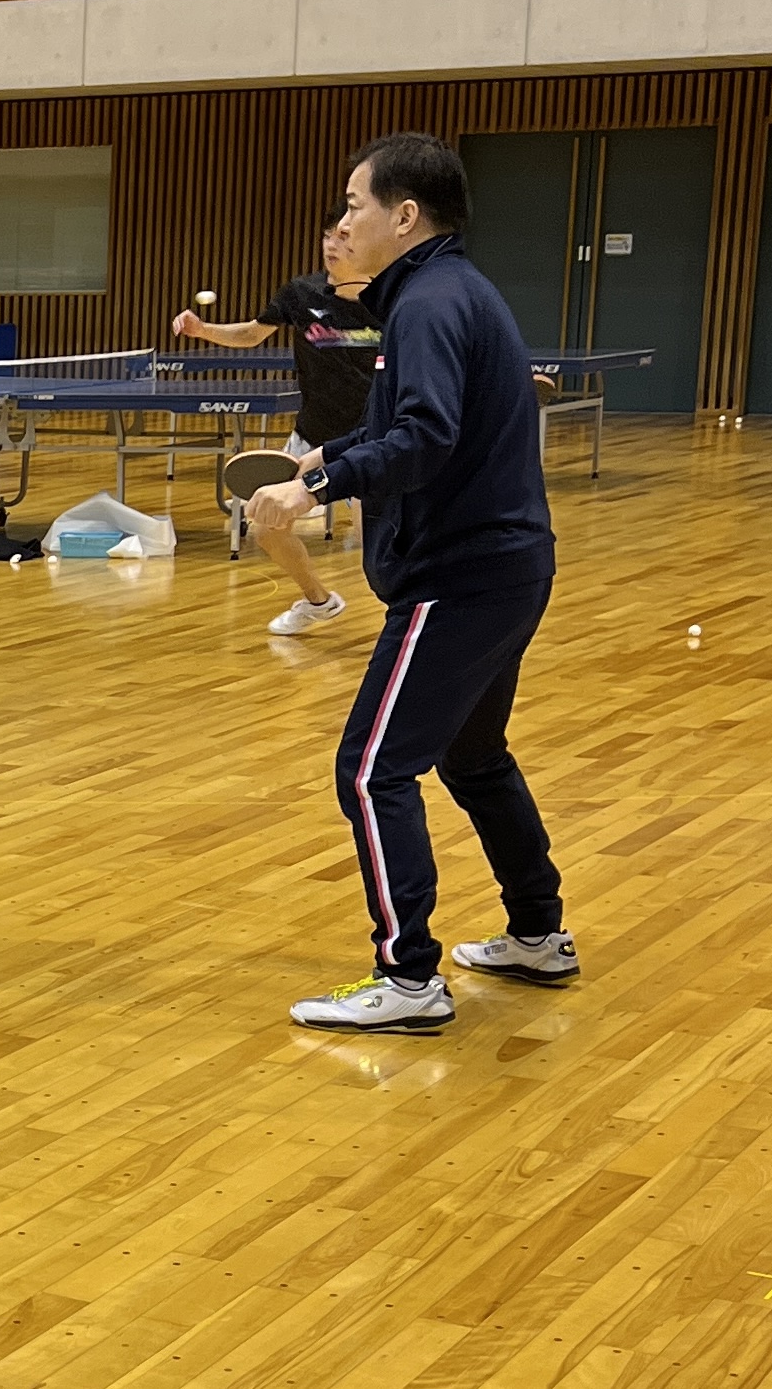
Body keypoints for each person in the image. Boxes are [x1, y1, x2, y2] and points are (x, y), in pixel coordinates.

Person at [248, 132, 573, 1036]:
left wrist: (314, 488)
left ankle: (409, 978)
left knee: (370, 769)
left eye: (355, 205)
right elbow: (403, 421)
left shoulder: (428, 304)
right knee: (473, 757)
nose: (343, 222)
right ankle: (538, 934)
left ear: (404, 216)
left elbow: (426, 437)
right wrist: (325, 452)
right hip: (507, 569)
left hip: (459, 577)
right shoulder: (447, 292)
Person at [172, 205, 379, 635]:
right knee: (265, 524)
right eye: (327, 236)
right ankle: (318, 601)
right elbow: (253, 332)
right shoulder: (302, 295)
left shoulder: (393, 302)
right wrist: (203, 329)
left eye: (342, 237)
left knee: (374, 545)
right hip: (312, 436)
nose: (331, 245)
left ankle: (415, 625)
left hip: (371, 440)